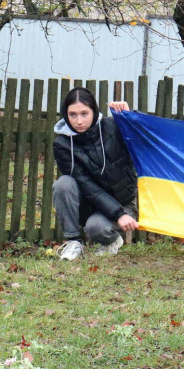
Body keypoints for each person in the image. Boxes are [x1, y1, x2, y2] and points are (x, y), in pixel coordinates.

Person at [52, 88, 139, 261]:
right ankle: (74, 242)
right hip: (88, 203)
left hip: (122, 202)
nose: (79, 121)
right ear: (65, 114)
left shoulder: (113, 127)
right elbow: (84, 184)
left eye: (84, 113)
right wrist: (118, 216)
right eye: (73, 114)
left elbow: (142, 135)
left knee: (96, 228)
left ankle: (113, 242)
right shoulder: (62, 144)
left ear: (94, 111)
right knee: (63, 183)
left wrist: (129, 116)